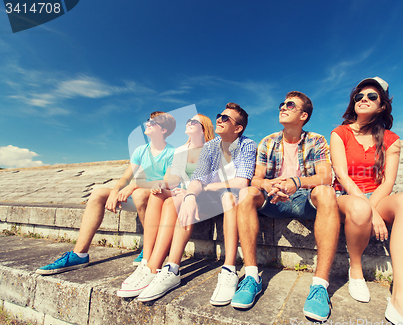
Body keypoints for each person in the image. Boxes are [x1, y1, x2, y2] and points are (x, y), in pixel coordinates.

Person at [118, 103, 257, 306]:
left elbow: (241, 182)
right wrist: (190, 196)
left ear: (238, 128)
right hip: (209, 197)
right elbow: (197, 179)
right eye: (220, 115)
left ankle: (229, 269)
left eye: (226, 118)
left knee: (228, 196)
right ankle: (167, 268)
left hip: (229, 197)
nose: (219, 119)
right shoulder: (210, 147)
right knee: (175, 201)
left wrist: (204, 188)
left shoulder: (247, 145)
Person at [330, 77, 403, 325]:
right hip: (345, 195)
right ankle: (356, 269)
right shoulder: (340, 133)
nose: (363, 99)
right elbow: (342, 176)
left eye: (372, 96)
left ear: (382, 106)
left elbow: (388, 182)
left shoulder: (392, 139)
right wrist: (366, 207)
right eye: (359, 96)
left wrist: (374, 208)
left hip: (377, 195)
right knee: (360, 208)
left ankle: (400, 302)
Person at [233, 91, 340, 322]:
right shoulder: (268, 141)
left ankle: (320, 286)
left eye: (290, 104)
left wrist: (296, 183)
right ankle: (252, 277)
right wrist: (269, 185)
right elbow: (256, 179)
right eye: (282, 103)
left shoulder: (317, 140)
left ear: (303, 115)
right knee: (247, 192)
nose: (283, 107)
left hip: (304, 197)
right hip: (273, 198)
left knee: (327, 192)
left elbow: (325, 176)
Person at [35, 111, 176, 275]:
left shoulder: (172, 152)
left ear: (163, 130)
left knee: (139, 194)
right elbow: (125, 178)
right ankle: (79, 254)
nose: (148, 124)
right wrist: (115, 191)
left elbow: (166, 182)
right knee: (98, 193)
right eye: (148, 120)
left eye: (153, 122)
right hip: (139, 195)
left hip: (158, 196)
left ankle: (150, 248)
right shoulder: (141, 151)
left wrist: (134, 186)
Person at [116, 113, 214, 297]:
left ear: (204, 128)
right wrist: (163, 184)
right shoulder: (180, 150)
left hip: (202, 193)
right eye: (188, 120)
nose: (189, 123)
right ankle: (147, 262)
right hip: (180, 190)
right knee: (157, 194)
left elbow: (210, 179)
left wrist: (188, 192)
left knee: (172, 202)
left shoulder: (211, 149)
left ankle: (161, 268)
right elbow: (175, 179)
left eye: (194, 121)